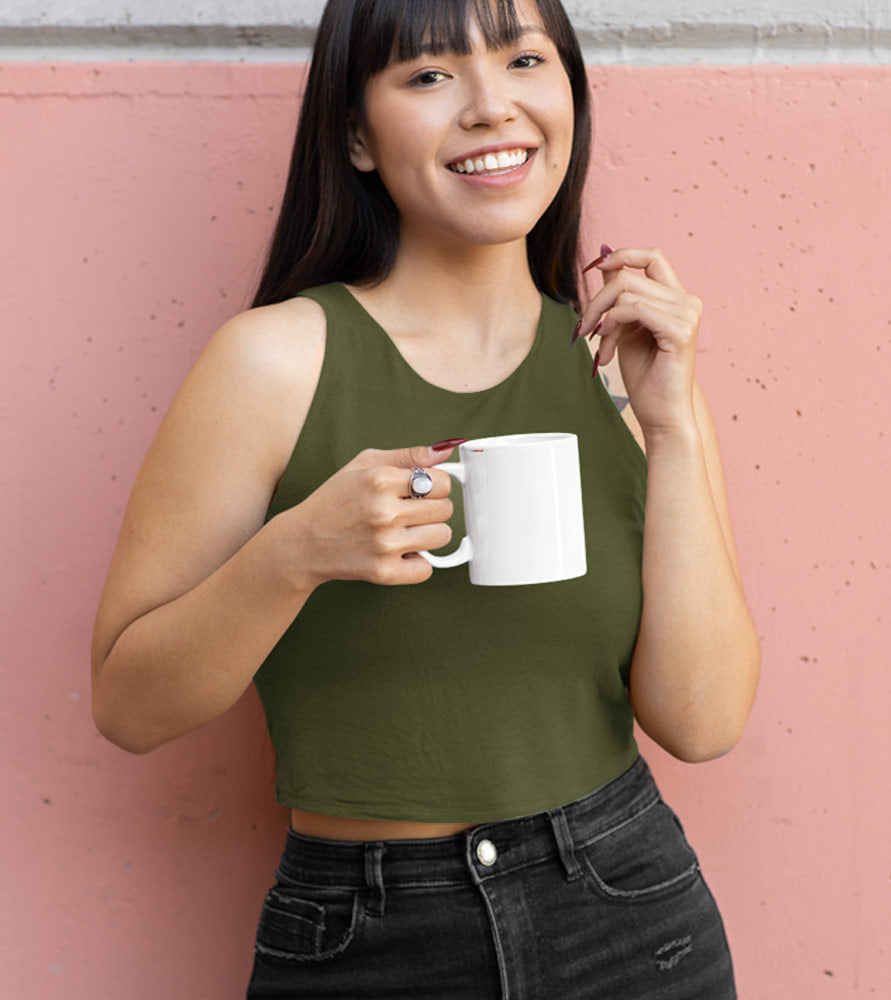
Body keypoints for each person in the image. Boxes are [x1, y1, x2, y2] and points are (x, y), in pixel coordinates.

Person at [90, 0, 761, 996]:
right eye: (430, 75)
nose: (493, 106)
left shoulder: (627, 372)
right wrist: (295, 552)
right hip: (366, 933)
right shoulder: (273, 363)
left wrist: (672, 425)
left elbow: (700, 722)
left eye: (525, 59)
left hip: (628, 912)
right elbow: (127, 704)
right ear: (355, 133)